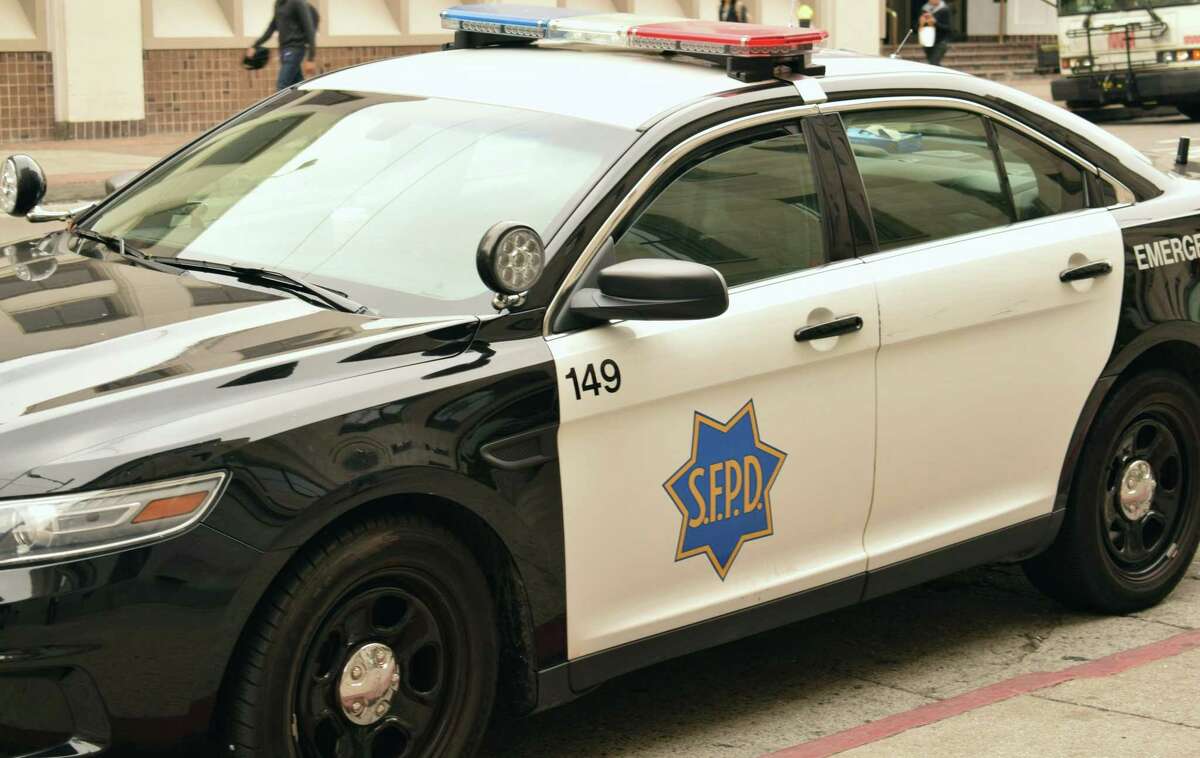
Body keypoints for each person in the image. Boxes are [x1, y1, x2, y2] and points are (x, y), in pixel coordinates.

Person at [247, 0, 320, 91]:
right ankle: (310, 103)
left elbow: (309, 29)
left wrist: (311, 58)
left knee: (282, 86)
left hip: (295, 49)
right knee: (297, 86)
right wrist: (255, 45)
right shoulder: (278, 4)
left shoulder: (297, 3)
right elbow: (271, 27)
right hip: (284, 50)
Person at [920, 0, 952, 66]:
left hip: (941, 41)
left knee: (933, 63)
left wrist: (935, 23)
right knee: (933, 64)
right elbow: (918, 26)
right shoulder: (925, 9)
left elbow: (948, 28)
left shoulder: (945, 10)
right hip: (928, 40)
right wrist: (921, 22)